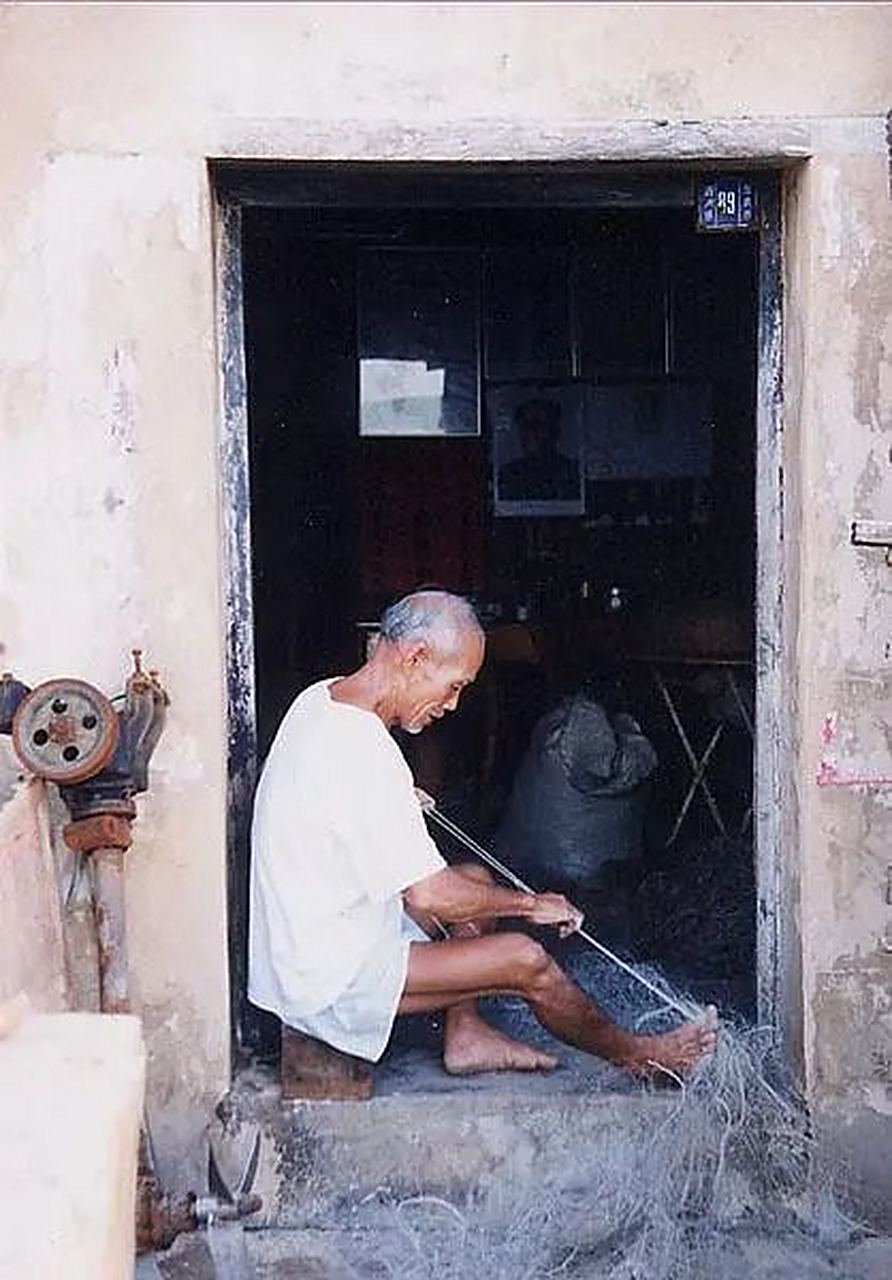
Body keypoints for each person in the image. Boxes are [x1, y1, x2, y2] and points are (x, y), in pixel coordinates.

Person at [248, 589, 717, 1076]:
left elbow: (337, 799)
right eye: (453, 686)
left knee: (475, 878)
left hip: (311, 946)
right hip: (323, 981)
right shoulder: (365, 746)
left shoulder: (324, 698)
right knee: (525, 959)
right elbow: (434, 896)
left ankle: (466, 1035)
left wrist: (392, 802)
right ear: (416, 657)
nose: (452, 705)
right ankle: (640, 1057)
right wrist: (531, 905)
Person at [497, 397, 582, 503]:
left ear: (555, 431)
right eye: (526, 425)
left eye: (540, 424)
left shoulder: (572, 472)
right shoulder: (507, 474)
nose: (532, 431)